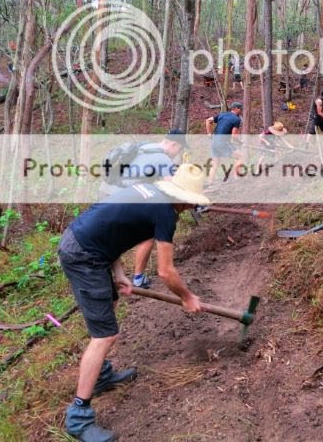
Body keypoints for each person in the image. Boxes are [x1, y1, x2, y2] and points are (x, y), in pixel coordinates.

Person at [58, 164, 209, 442]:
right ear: (185, 199)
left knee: (109, 308)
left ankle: (101, 376)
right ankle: (78, 417)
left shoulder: (149, 192)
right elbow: (166, 271)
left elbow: (111, 227)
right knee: (104, 335)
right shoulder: (165, 213)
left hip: (88, 245)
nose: (191, 208)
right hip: (83, 255)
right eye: (192, 203)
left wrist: (119, 273)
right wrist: (187, 297)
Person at [100, 129, 188, 289]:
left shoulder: (144, 147)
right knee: (149, 232)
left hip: (105, 194)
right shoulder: (164, 158)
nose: (178, 153)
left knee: (109, 236)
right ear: (174, 145)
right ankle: (138, 278)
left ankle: (108, 276)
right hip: (121, 200)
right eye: (180, 150)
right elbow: (174, 189)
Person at [206, 102, 243, 184]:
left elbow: (208, 120)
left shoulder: (222, 115)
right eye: (241, 109)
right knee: (240, 157)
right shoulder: (236, 119)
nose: (241, 111)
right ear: (236, 108)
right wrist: (240, 142)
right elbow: (234, 136)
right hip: (223, 143)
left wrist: (209, 133)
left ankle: (210, 183)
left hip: (214, 142)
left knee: (214, 164)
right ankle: (237, 179)